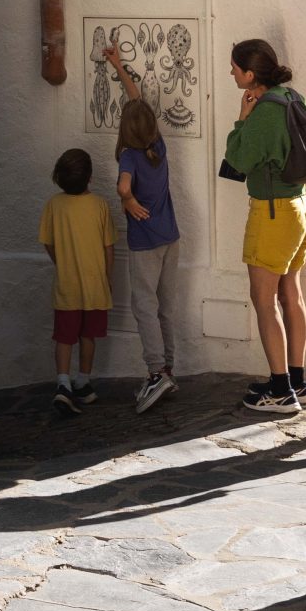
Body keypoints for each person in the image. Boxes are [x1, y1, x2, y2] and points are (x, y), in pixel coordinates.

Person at [223, 37, 306, 416]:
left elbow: (238, 157)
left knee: (264, 300)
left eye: (234, 67)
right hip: (300, 206)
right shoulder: (294, 99)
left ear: (249, 74)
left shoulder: (264, 111)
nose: (231, 72)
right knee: (291, 295)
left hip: (273, 212)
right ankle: (297, 381)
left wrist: (242, 119)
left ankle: (280, 390)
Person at [99, 45, 181, 413]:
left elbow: (122, 186)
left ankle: (154, 373)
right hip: (170, 238)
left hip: (145, 243)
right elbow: (137, 100)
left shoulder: (130, 155)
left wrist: (128, 202)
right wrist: (118, 65)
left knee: (143, 306)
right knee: (165, 306)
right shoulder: (157, 145)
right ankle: (168, 367)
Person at [40, 147, 118, 416]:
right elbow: (109, 247)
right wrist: (108, 278)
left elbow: (48, 243)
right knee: (88, 336)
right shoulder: (99, 205)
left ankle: (63, 383)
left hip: (67, 286)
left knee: (64, 337)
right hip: (95, 286)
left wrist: (62, 263)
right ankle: (83, 381)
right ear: (90, 177)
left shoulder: (54, 205)